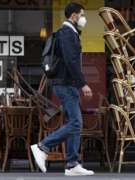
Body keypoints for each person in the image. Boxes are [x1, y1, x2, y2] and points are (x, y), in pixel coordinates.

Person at [30, 2, 94, 176]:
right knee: (75, 122)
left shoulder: (70, 33)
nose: (83, 18)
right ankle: (42, 146)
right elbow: (71, 61)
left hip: (67, 84)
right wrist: (83, 84)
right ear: (74, 15)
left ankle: (72, 164)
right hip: (65, 84)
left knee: (74, 122)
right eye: (81, 14)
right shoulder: (67, 33)